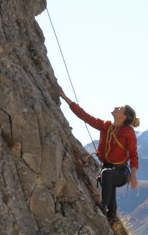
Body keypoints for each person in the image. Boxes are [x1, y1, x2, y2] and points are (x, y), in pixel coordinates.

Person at [58, 90, 140, 222]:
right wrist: (65, 97)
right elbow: (85, 116)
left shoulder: (128, 132)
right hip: (107, 170)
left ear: (124, 116)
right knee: (108, 182)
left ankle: (103, 206)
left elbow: (133, 154)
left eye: (119, 108)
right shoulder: (106, 126)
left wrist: (134, 175)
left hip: (121, 172)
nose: (115, 108)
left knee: (107, 174)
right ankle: (112, 218)